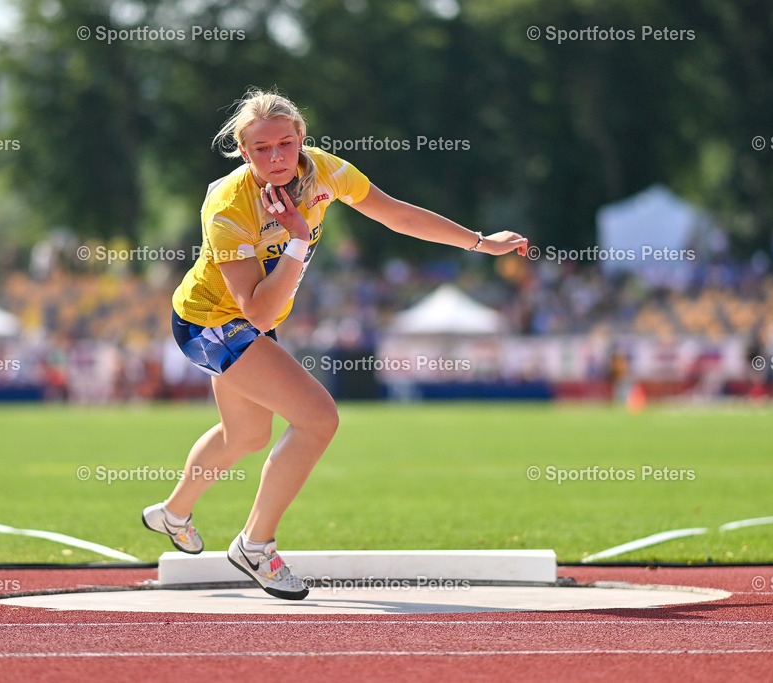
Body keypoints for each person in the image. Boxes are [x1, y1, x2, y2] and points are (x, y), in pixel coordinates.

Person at [143, 88, 528, 600]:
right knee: (318, 418)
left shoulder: (323, 169)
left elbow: (396, 215)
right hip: (209, 323)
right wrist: (299, 238)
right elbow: (258, 310)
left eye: (286, 143)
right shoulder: (228, 204)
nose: (276, 157)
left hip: (246, 320)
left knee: (248, 436)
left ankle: (172, 514)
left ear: (301, 137)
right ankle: (255, 546)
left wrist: (480, 242)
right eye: (261, 149)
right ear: (242, 150)